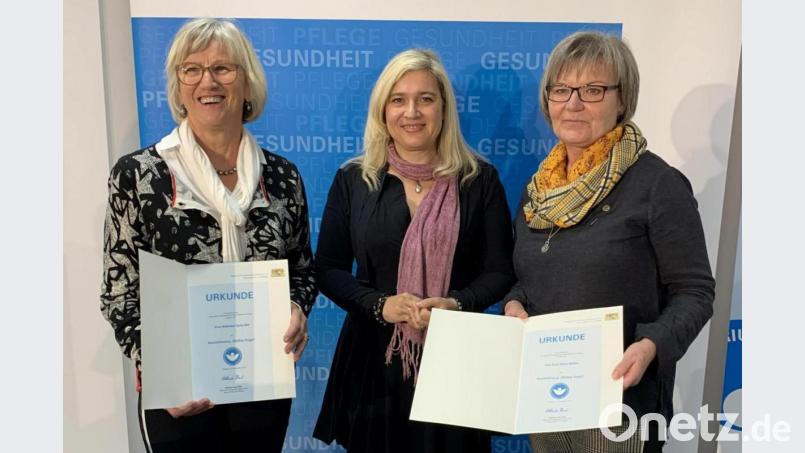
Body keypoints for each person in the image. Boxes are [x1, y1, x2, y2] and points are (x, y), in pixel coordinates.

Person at [99, 18, 316, 453]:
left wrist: (294, 307)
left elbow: (302, 271)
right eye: (191, 69)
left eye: (223, 68)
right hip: (180, 393)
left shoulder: (282, 176)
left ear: (247, 82)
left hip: (261, 384)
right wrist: (163, 371)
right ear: (178, 87)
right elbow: (119, 291)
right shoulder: (139, 175)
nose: (207, 81)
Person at [502, 31, 715, 453]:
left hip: (623, 407)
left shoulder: (658, 184)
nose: (573, 103)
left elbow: (695, 291)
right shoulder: (539, 192)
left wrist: (652, 344)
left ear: (623, 99)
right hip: (549, 399)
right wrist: (514, 303)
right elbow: (530, 277)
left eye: (593, 90)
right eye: (561, 90)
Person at [312, 49, 515, 453]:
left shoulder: (479, 180)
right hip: (372, 360)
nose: (412, 112)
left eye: (425, 98)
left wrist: (458, 302)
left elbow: (500, 271)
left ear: (443, 108)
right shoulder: (355, 179)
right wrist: (378, 305)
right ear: (383, 110)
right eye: (398, 99)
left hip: (456, 359)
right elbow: (328, 268)